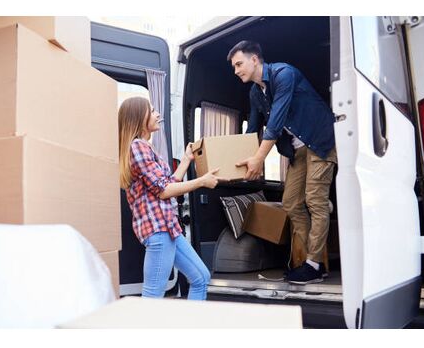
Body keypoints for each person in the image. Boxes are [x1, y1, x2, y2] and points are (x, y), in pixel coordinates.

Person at [227, 41, 337, 285]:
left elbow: (275, 122)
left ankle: (313, 265)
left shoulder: (284, 74)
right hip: (297, 150)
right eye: (234, 67)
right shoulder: (255, 93)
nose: (236, 71)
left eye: (239, 64)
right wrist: (235, 161)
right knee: (290, 202)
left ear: (255, 59)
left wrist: (259, 159)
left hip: (320, 140)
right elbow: (253, 130)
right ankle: (314, 262)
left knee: (314, 199)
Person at [118, 96, 220, 299]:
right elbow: (164, 190)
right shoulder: (138, 146)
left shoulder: (145, 147)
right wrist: (201, 182)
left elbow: (168, 182)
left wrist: (186, 160)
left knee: (201, 277)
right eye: (152, 110)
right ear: (140, 117)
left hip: (168, 229)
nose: (157, 114)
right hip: (158, 230)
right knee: (153, 296)